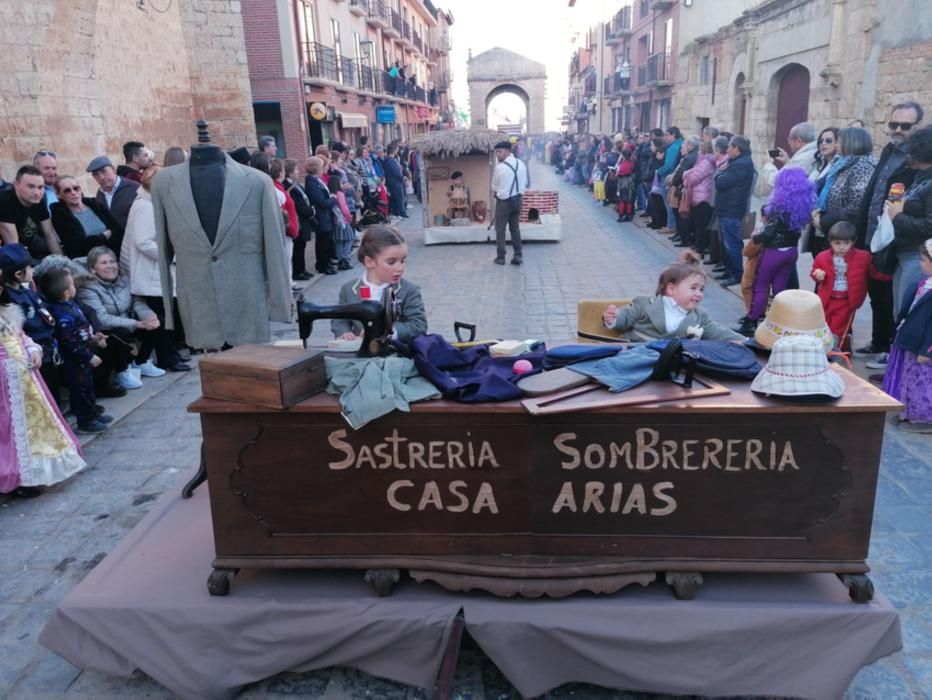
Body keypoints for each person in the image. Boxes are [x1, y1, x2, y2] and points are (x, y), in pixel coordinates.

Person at [0, 266, 87, 494]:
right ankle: (18, 476)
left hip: (23, 377)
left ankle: (33, 473)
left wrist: (32, 347)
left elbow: (20, 335)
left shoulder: (7, 310)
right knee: (9, 429)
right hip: (4, 383)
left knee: (32, 428)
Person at [855, 100, 924, 364]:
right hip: (874, 234)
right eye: (893, 124)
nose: (897, 130)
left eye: (904, 126)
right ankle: (879, 342)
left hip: (899, 239)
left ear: (919, 127)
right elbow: (875, 189)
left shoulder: (917, 161)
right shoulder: (888, 150)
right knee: (877, 295)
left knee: (896, 300)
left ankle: (891, 351)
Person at [120, 166, 190, 372]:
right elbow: (144, 242)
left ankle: (169, 355)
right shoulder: (146, 206)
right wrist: (172, 257)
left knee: (165, 318)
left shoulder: (151, 202)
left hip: (157, 273)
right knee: (161, 319)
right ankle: (167, 358)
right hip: (152, 274)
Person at [734, 168, 817, 336]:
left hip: (774, 252)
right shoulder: (802, 206)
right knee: (781, 289)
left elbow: (768, 233)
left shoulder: (779, 207)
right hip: (791, 252)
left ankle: (752, 320)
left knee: (760, 286)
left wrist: (755, 238)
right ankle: (779, 320)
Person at [602, 251, 744, 341]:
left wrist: (747, 342)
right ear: (671, 288)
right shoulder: (645, 304)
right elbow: (626, 316)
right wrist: (614, 317)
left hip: (673, 367)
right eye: (693, 288)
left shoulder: (700, 315)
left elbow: (719, 333)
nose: (698, 294)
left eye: (701, 289)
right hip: (636, 356)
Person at [76, 246, 164, 391]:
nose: (110, 266)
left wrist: (149, 317)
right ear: (92, 269)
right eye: (104, 263)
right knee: (120, 332)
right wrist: (137, 324)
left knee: (157, 320)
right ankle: (121, 371)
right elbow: (102, 319)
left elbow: (138, 302)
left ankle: (141, 361)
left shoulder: (125, 279)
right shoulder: (88, 288)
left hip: (129, 321)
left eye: (112, 261)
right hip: (105, 330)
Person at [38, 266, 112, 435]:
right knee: (81, 390)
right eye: (72, 284)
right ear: (65, 292)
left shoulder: (70, 305)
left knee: (89, 386)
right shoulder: (62, 314)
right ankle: (86, 421)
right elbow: (69, 342)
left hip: (83, 355)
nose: (75, 287)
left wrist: (94, 337)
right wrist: (89, 356)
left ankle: (93, 414)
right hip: (75, 360)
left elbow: (80, 329)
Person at [332, 225, 427, 343]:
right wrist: (344, 332)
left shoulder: (409, 290)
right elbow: (340, 320)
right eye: (391, 262)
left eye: (402, 261)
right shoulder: (348, 290)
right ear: (369, 262)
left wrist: (389, 331)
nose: (400, 268)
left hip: (396, 354)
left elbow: (419, 325)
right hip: (360, 354)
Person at [881, 239, 932, 433]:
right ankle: (909, 412)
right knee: (909, 379)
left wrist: (928, 349)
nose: (920, 263)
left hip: (923, 347)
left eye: (923, 259)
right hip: (910, 341)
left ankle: (925, 417)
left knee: (923, 383)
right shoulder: (923, 284)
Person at [0, 243, 60, 404]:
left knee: (53, 387)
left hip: (47, 345)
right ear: (19, 274)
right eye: (30, 267)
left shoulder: (26, 290)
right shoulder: (10, 300)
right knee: (45, 393)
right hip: (35, 350)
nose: (33, 270)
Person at [886, 125, 932, 317]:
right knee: (900, 311)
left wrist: (898, 216)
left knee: (909, 313)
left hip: (918, 255)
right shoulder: (921, 176)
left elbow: (929, 226)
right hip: (905, 252)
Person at [810, 221, 876, 351]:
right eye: (837, 243)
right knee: (823, 325)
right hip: (827, 298)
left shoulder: (862, 257)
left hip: (847, 301)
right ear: (830, 242)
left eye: (846, 243)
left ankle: (832, 352)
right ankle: (828, 349)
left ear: (853, 242)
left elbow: (873, 272)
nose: (842, 247)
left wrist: (888, 276)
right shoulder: (822, 257)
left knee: (838, 329)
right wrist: (817, 274)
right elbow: (814, 270)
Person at [811, 127, 877, 253]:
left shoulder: (862, 166)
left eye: (839, 141)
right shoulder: (843, 163)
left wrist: (824, 221)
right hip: (836, 229)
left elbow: (855, 206)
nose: (836, 145)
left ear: (851, 143)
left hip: (846, 236)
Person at [713, 136, 756, 287]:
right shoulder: (736, 162)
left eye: (730, 147)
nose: (727, 150)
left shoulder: (741, 164)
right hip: (727, 206)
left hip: (732, 208)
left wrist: (719, 174)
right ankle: (728, 269)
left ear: (737, 148)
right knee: (726, 242)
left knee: (732, 243)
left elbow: (721, 183)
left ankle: (736, 274)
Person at [0, 165, 63, 258]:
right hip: (8, 256)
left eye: (40, 187)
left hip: (32, 245)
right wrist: (28, 271)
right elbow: (13, 245)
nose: (37, 192)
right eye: (31, 187)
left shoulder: (39, 199)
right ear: (16, 185)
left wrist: (63, 262)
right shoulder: (4, 200)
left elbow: (50, 235)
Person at [50, 175, 118, 259]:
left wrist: (93, 240)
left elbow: (117, 228)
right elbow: (77, 245)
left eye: (76, 188)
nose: (73, 192)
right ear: (58, 194)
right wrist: (104, 236)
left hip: (113, 257)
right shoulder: (60, 216)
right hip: (85, 262)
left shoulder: (95, 204)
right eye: (67, 190)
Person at [87, 156, 140, 257]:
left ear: (113, 169)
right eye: (96, 175)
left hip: (135, 245)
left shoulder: (134, 188)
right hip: (114, 249)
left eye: (104, 171)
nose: (101, 177)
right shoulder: (100, 194)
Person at [756, 122, 818, 200]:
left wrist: (768, 164)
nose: (788, 142)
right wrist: (788, 162)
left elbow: (776, 181)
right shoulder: (811, 153)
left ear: (799, 141)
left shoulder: (802, 159)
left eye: (789, 139)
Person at [492, 140, 529, 266]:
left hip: (504, 202)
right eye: (496, 152)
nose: (497, 154)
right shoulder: (522, 164)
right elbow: (525, 183)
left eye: (500, 152)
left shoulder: (500, 168)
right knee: (515, 228)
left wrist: (499, 191)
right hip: (518, 200)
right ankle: (518, 255)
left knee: (500, 229)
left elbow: (494, 186)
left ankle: (501, 257)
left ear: (508, 152)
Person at [304, 156, 339, 275]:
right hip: (321, 215)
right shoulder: (312, 183)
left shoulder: (317, 180)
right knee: (322, 241)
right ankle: (322, 265)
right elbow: (321, 201)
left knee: (327, 239)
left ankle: (327, 262)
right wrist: (333, 199)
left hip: (326, 215)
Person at [682, 140, 716, 257]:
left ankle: (699, 248)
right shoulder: (704, 161)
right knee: (699, 224)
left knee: (700, 225)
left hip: (701, 197)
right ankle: (699, 246)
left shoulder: (706, 162)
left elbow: (692, 178)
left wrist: (685, 176)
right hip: (700, 196)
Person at [283, 159, 314, 282]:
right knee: (298, 247)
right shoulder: (287, 185)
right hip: (298, 219)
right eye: (296, 169)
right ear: (289, 172)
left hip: (304, 220)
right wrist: (309, 211)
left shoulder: (297, 184)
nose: (298, 171)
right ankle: (298, 271)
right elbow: (298, 205)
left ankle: (302, 269)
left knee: (302, 246)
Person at [328, 175, 355, 271]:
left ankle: (340, 259)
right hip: (343, 219)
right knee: (349, 239)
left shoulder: (332, 193)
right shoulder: (340, 193)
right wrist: (349, 216)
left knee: (339, 241)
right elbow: (343, 207)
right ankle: (344, 258)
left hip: (336, 220)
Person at [383, 143, 407, 218]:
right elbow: (396, 172)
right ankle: (401, 212)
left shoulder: (387, 160)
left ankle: (396, 212)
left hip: (391, 181)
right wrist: (402, 177)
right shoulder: (391, 161)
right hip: (396, 182)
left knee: (395, 198)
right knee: (399, 197)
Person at [614, 146, 637, 222]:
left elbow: (618, 173)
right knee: (629, 200)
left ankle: (621, 215)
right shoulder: (632, 163)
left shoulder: (623, 164)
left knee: (622, 200)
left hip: (623, 184)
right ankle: (629, 215)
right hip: (630, 183)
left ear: (623, 156)